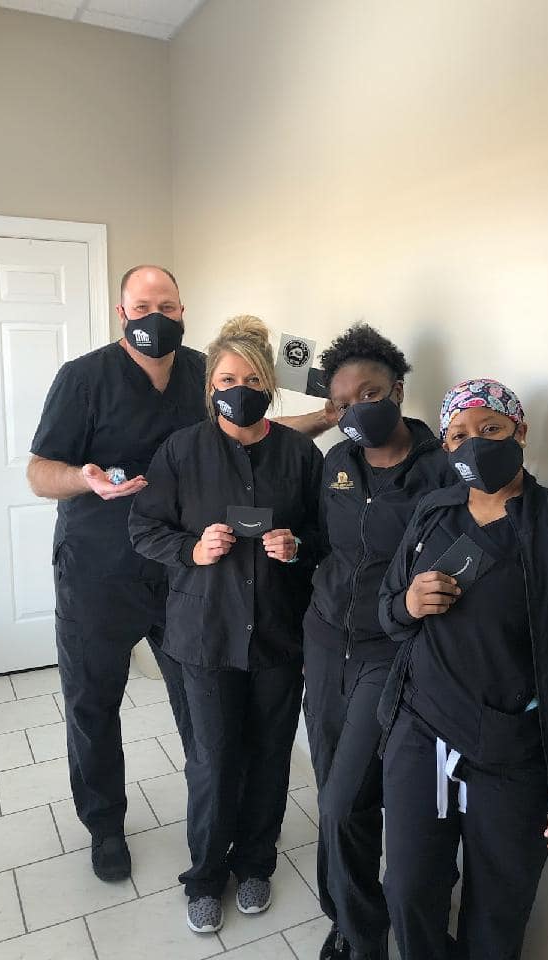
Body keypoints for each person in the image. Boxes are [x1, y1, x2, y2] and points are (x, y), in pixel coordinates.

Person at [27, 266, 335, 883]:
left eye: (166, 305)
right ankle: (105, 826)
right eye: (142, 306)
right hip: (100, 574)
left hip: (191, 582)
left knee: (203, 717)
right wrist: (84, 479)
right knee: (93, 704)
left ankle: (223, 833)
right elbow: (39, 471)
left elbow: (252, 434)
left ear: (183, 310)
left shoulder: (204, 369)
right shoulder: (83, 379)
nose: (155, 317)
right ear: (122, 313)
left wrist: (325, 419)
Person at [377, 378, 548, 960]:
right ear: (444, 447)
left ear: (520, 432)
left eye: (490, 429)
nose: (475, 445)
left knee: (498, 912)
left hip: (513, 750)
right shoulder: (433, 513)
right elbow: (388, 612)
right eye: (458, 436)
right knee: (408, 890)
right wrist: (408, 603)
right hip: (421, 730)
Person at [129, 315, 323, 934]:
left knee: (269, 757)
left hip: (277, 634)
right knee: (212, 761)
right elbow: (144, 528)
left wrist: (297, 546)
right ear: (210, 386)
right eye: (227, 380)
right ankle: (206, 875)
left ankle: (257, 863)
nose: (240, 390)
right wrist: (192, 548)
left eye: (253, 380)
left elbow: (327, 535)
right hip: (205, 634)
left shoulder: (299, 454)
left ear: (270, 383)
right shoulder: (181, 451)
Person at [302, 324, 455, 960]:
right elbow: (321, 540)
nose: (356, 410)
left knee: (345, 803)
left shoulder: (440, 470)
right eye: (341, 403)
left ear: (397, 391)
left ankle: (366, 943)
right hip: (324, 640)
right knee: (331, 792)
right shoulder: (337, 462)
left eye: (368, 393)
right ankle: (345, 918)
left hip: (388, 651)